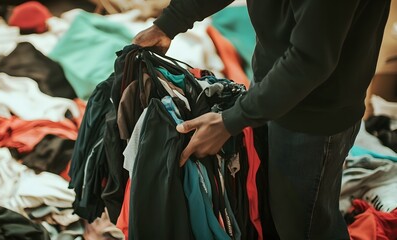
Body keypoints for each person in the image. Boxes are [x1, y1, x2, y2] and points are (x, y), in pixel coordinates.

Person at [132, 0, 391, 239]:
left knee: (303, 227)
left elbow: (310, 61)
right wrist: (168, 23)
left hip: (314, 115)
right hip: (273, 86)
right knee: (270, 211)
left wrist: (230, 121)